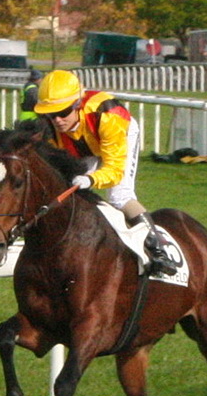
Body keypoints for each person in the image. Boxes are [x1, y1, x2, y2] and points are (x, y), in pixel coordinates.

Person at [32, 69, 178, 277]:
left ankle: (158, 249)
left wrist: (91, 178)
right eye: (50, 114)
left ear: (77, 104)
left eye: (63, 112)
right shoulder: (51, 126)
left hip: (116, 136)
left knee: (120, 195)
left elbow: (114, 170)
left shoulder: (109, 115)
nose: (57, 120)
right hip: (83, 142)